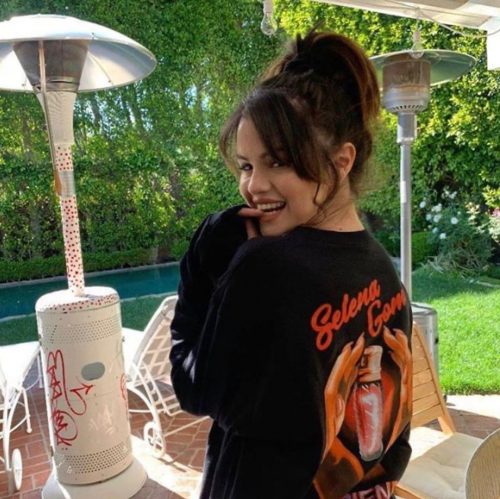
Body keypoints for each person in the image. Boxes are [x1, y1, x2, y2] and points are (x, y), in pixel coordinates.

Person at [170, 29, 413, 499]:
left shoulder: (266, 266)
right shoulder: (382, 269)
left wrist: (199, 264)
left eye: (277, 162)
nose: (253, 186)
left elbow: (194, 389)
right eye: (246, 165)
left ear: (342, 161)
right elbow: (392, 432)